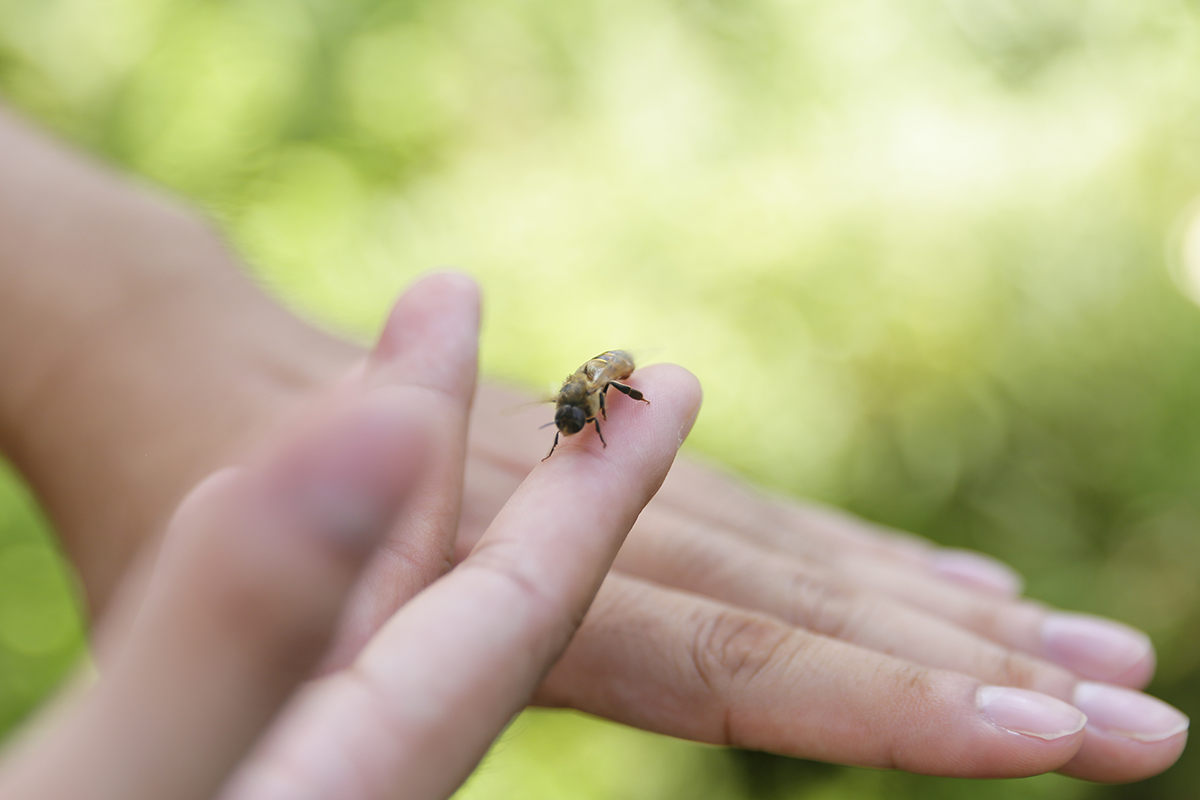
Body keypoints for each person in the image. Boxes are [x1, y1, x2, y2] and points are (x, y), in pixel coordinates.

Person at [0, 103, 1187, 798]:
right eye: (580, 415)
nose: (580, 416)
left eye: (581, 415)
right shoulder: (582, 401)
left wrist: (116, 326)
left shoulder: (600, 389)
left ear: (589, 402)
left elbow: (604, 395)